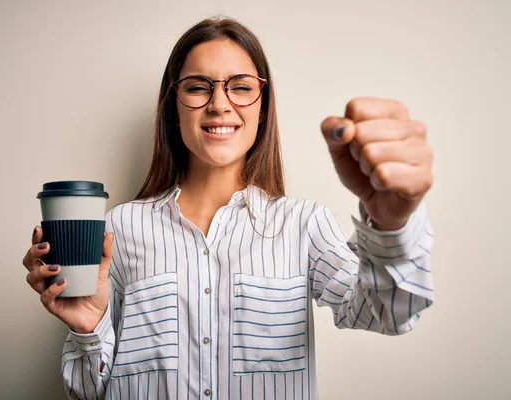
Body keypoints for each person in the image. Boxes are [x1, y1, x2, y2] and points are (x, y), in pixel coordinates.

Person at [22, 17, 434, 400]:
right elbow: (88, 391)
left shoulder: (303, 224)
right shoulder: (120, 228)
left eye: (240, 86)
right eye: (199, 86)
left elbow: (386, 313)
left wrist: (392, 224)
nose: (219, 104)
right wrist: (89, 328)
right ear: (174, 104)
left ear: (262, 105)